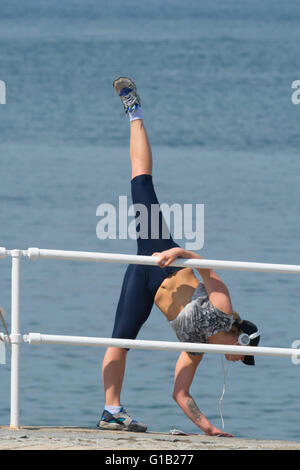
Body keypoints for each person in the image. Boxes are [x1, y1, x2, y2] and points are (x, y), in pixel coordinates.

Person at [98, 78, 260, 437]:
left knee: (119, 341)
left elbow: (180, 393)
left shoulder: (196, 349)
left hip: (144, 285)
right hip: (164, 258)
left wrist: (210, 430)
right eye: (245, 355)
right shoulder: (224, 311)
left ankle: (111, 410)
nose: (239, 361)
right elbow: (205, 266)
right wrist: (178, 252)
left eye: (242, 362)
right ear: (240, 341)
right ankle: (133, 110)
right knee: (142, 185)